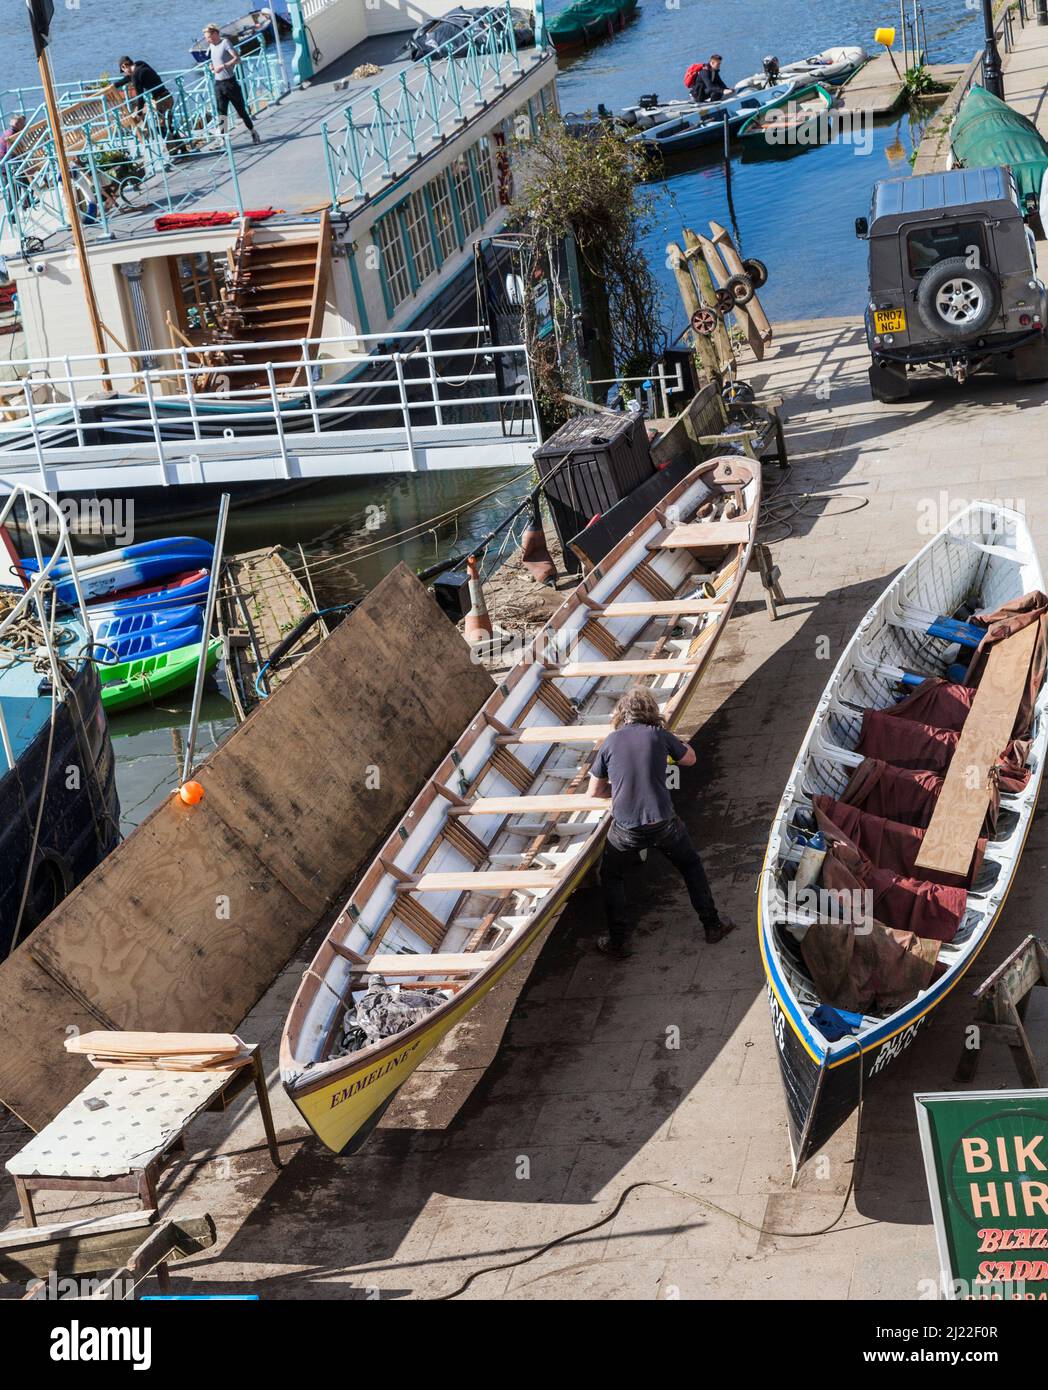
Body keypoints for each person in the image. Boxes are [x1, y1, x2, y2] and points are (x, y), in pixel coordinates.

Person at [588, 686, 734, 959]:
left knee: (610, 876)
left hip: (626, 829)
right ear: (651, 712)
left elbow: (594, 791)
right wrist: (674, 743)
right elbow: (690, 759)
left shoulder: (610, 742)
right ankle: (712, 925)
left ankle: (618, 942)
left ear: (622, 714)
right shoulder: (659, 736)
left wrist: (619, 790)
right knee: (690, 866)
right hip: (664, 823)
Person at [205, 22, 261, 145]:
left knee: (241, 111)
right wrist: (212, 66)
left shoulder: (225, 43)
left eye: (208, 37)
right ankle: (224, 140)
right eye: (206, 37)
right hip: (218, 84)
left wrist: (224, 66)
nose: (207, 40)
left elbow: (237, 59)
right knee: (221, 112)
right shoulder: (212, 47)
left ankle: (253, 131)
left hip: (230, 83)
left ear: (215, 34)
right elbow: (215, 61)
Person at [108, 57, 175, 138]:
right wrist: (114, 85)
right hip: (167, 96)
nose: (125, 73)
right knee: (167, 125)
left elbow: (140, 97)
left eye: (123, 70)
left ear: (124, 66)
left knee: (161, 127)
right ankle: (177, 144)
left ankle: (172, 144)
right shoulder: (140, 64)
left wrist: (139, 114)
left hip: (161, 101)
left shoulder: (136, 76)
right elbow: (128, 78)